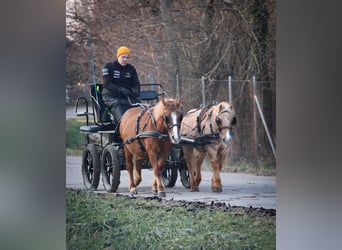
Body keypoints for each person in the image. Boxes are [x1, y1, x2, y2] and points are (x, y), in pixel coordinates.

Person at [101, 46, 141, 125]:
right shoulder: (109, 67)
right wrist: (120, 89)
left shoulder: (131, 68)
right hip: (111, 97)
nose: (125, 59)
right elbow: (107, 83)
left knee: (140, 109)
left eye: (127, 57)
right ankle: (120, 132)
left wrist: (137, 90)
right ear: (118, 56)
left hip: (127, 97)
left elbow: (136, 83)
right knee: (121, 111)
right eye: (123, 57)